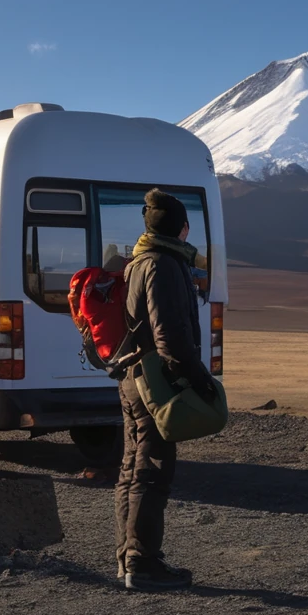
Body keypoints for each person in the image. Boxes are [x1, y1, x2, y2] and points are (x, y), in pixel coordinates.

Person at [114, 188, 218, 591]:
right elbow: (169, 335)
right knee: (152, 468)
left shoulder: (139, 260)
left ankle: (128, 558)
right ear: (182, 228)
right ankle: (142, 563)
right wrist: (198, 378)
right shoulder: (164, 264)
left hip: (132, 378)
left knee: (132, 467)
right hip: (154, 382)